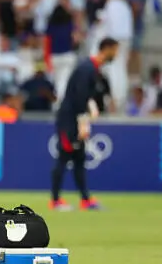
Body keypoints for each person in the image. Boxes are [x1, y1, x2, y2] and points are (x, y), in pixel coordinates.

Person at [50, 37, 119, 211]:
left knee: (79, 159)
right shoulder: (87, 68)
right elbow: (78, 96)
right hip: (69, 120)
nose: (116, 54)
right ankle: (55, 200)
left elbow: (84, 95)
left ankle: (85, 199)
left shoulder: (92, 69)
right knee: (64, 156)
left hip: (75, 118)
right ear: (107, 49)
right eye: (115, 50)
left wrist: (92, 107)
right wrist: (83, 122)